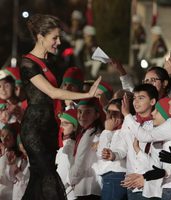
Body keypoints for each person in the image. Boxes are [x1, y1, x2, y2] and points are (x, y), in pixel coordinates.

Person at [19, 14, 101, 200]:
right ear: (41, 37)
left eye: (59, 38)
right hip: (34, 130)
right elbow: (53, 92)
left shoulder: (52, 62)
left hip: (50, 128)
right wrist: (86, 95)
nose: (58, 42)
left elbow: (60, 94)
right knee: (48, 178)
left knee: (38, 180)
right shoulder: (28, 63)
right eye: (54, 38)